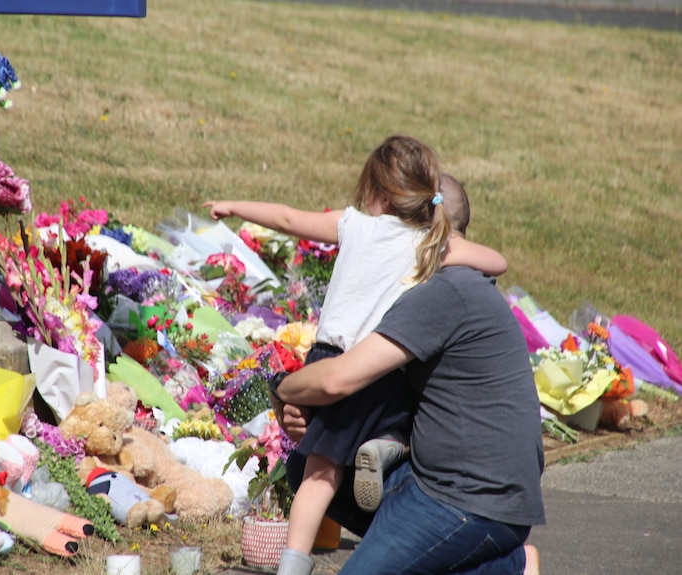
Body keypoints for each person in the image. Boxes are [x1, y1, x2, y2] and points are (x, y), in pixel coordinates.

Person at [204, 135, 508, 575]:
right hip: (380, 364)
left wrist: (233, 205)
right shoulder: (429, 243)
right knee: (405, 414)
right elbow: (495, 262)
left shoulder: (354, 225)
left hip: (331, 361)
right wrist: (444, 240)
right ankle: (387, 447)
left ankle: (292, 567)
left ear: (379, 194)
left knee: (319, 474)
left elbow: (288, 218)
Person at [269, 198, 546, 573]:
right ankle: (508, 563)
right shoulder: (467, 286)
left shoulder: (442, 293)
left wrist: (283, 387)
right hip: (461, 488)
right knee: (307, 464)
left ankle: (506, 563)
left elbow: (338, 378)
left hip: (466, 502)